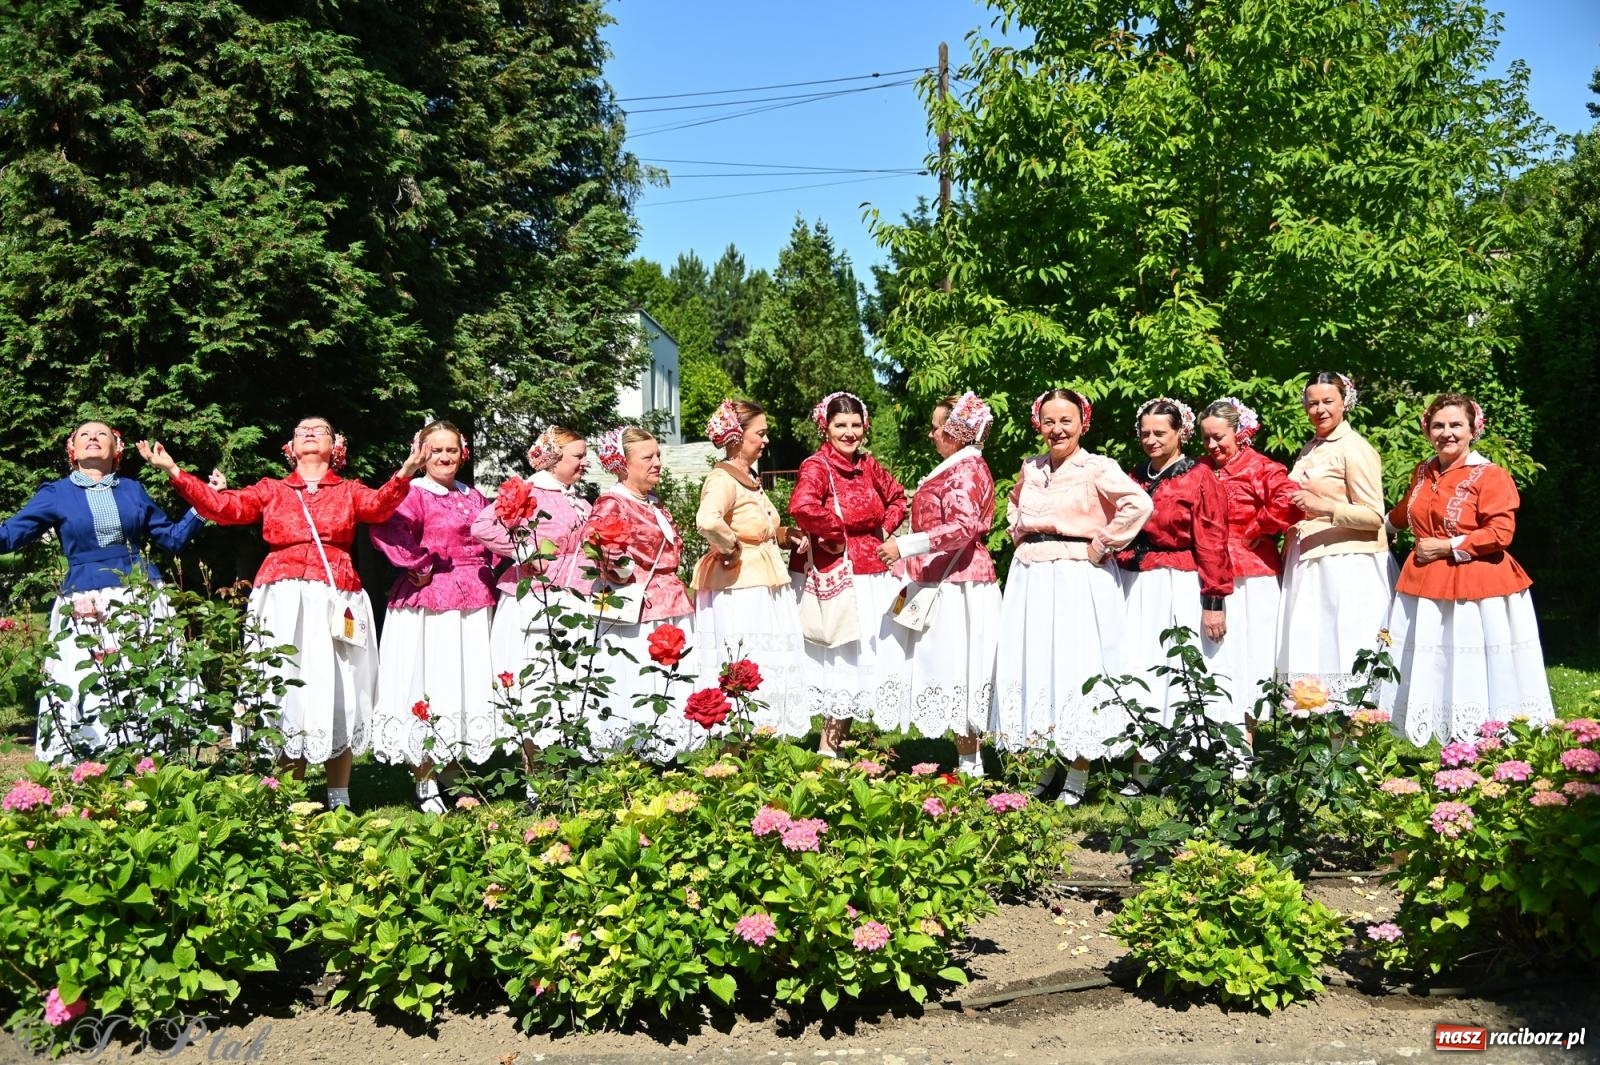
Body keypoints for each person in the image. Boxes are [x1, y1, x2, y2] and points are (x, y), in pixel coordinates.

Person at [139, 419, 428, 807]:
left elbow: (378, 507)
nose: (309, 432)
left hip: (336, 593)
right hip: (281, 596)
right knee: (283, 684)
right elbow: (225, 507)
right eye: (301, 430)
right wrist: (175, 472)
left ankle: (339, 796)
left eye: (321, 429)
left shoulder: (349, 490)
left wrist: (407, 470)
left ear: (335, 446)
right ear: (290, 447)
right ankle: (288, 795)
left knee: (339, 686)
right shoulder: (271, 489)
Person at [1, 421, 213, 761]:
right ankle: (90, 763)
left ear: (117, 450)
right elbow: (10, 535)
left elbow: (171, 539)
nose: (93, 439)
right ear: (72, 450)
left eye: (102, 434)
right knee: (85, 676)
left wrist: (203, 503)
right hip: (84, 599)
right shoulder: (55, 493)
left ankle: (152, 760)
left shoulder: (133, 490)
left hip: (139, 595)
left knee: (146, 673)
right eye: (84, 435)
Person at [992, 389, 1152, 804]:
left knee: (1075, 666)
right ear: (1038, 424)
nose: (1057, 429)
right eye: (1049, 421)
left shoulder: (1097, 467)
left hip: (1076, 575)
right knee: (1036, 667)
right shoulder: (1031, 468)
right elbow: (1013, 509)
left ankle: (1078, 774)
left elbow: (1138, 503)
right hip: (1032, 575)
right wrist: (1019, 533)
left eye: (1066, 421)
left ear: (1083, 423)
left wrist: (1104, 543)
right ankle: (1045, 762)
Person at [1380, 394, 1555, 743]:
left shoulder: (1490, 475)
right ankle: (1450, 739)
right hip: (1428, 585)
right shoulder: (1424, 470)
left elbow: (1500, 533)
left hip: (1478, 588)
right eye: (1439, 425)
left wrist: (1447, 546)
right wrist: (1373, 530)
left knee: (1471, 664)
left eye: (1456, 425)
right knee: (1439, 664)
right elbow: (1406, 512)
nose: (1447, 433)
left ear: (1474, 429)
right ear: (1427, 430)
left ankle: (1484, 739)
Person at [368, 420, 497, 814]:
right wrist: (417, 563)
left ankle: (454, 775)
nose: (444, 457)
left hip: (473, 596)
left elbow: (491, 536)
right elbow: (387, 527)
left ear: (463, 453)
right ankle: (424, 780)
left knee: (461, 683)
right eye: (435, 450)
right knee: (427, 682)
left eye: (451, 450)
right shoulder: (414, 493)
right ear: (421, 454)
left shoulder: (472, 496)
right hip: (430, 596)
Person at [877, 392, 1001, 777]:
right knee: (949, 667)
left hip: (958, 581)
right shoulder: (957, 466)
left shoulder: (965, 470)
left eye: (937, 428)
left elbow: (964, 527)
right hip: (939, 576)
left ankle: (970, 765)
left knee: (960, 668)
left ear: (957, 432)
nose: (931, 435)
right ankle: (968, 760)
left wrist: (905, 545)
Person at [788, 391, 910, 756]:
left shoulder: (868, 465)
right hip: (840, 574)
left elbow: (899, 498)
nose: (849, 432)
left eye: (856, 425)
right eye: (841, 425)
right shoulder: (817, 466)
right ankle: (829, 745)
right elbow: (802, 505)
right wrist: (836, 534)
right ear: (825, 427)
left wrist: (883, 531)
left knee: (863, 655)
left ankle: (840, 739)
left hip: (872, 571)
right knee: (841, 654)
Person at [1116, 398, 1233, 760]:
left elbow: (1213, 541)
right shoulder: (1134, 477)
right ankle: (1140, 759)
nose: (1151, 439)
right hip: (1135, 582)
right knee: (1138, 664)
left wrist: (1213, 602)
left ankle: (1183, 755)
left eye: (1160, 432)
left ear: (1179, 432)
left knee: (1174, 664)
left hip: (1177, 582)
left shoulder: (1199, 477)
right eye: (1145, 432)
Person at [691, 400, 810, 738]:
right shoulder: (722, 480)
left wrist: (785, 535)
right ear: (736, 437)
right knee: (750, 656)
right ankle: (743, 737)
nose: (766, 440)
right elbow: (707, 520)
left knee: (768, 660)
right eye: (760, 433)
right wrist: (730, 548)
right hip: (743, 587)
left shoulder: (748, 478)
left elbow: (759, 525)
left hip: (762, 580)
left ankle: (765, 733)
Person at [471, 426, 592, 756]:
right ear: (554, 458)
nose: (585, 463)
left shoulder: (577, 499)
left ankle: (566, 765)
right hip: (536, 596)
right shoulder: (529, 491)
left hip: (575, 596)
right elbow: (482, 526)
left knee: (570, 679)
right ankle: (534, 774)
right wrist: (525, 553)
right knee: (536, 681)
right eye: (578, 456)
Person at [1276, 372, 1396, 696]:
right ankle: (1320, 720)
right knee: (1315, 647)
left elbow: (1373, 516)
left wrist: (1324, 505)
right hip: (1310, 560)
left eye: (1328, 401)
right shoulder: (1310, 448)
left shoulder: (1354, 448)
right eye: (1312, 403)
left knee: (1342, 646)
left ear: (1346, 402)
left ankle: (1352, 726)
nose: (1320, 409)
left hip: (1345, 564)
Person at [583, 426, 696, 759]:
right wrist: (623, 570)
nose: (658, 462)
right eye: (648, 457)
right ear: (623, 463)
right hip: (636, 606)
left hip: (669, 599)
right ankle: (637, 755)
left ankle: (667, 752)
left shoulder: (653, 504)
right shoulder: (612, 501)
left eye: (658, 454)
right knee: (638, 678)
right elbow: (595, 543)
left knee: (668, 678)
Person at [1199, 398, 1301, 732]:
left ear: (1239, 433)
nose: (1213, 445)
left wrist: (1260, 526)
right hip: (1210, 571)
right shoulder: (1201, 468)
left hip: (1251, 574)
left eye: (1219, 437)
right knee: (1217, 656)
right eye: (1206, 438)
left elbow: (1290, 498)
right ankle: (1219, 736)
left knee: (1251, 656)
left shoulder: (1258, 466)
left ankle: (1246, 739)